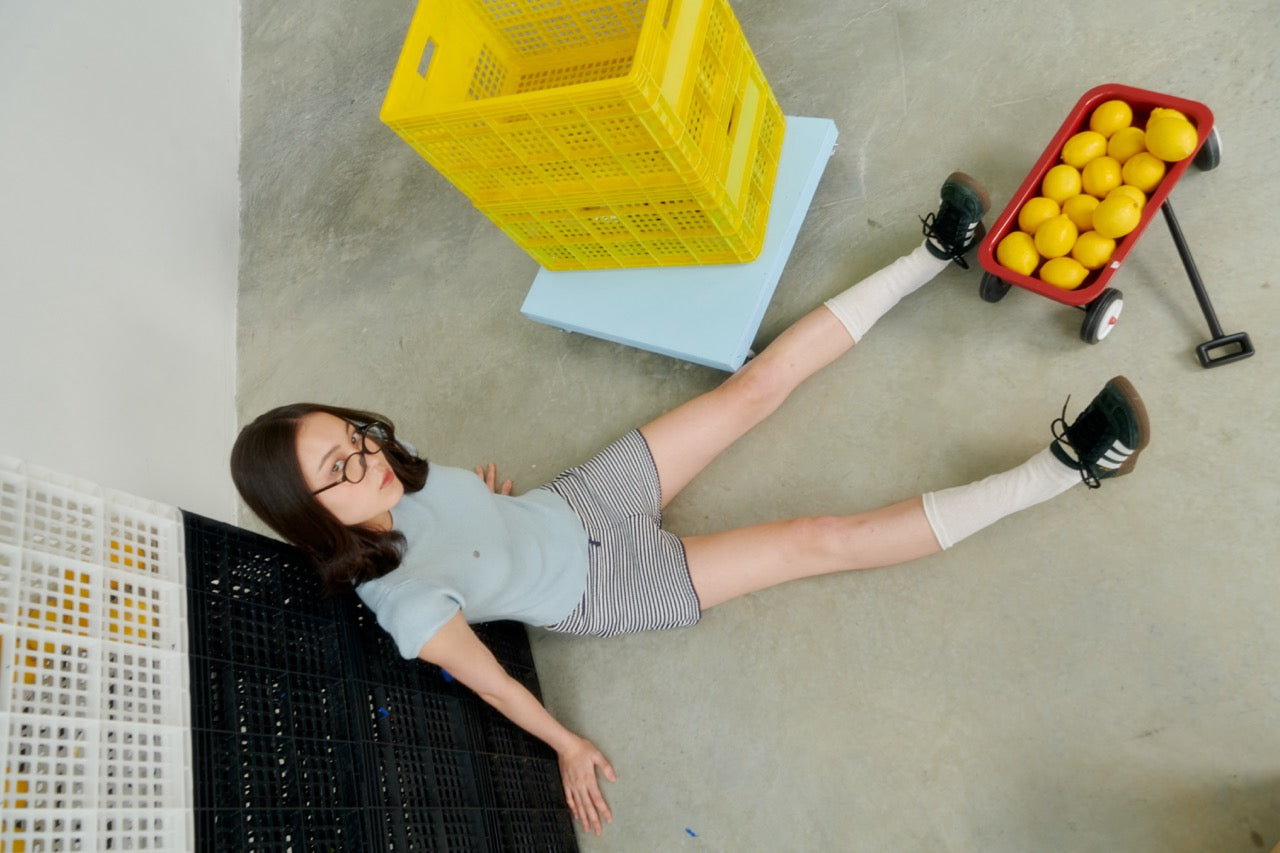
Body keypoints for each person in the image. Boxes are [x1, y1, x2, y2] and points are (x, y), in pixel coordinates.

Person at [230, 173, 1150, 837]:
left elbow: (451, 500)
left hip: (575, 501)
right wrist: (567, 745)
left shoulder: (397, 470)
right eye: (338, 471)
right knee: (813, 538)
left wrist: (492, 512)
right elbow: (493, 680)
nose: (366, 461)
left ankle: (934, 250)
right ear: (309, 512)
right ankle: (1068, 467)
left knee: (752, 389)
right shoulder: (406, 605)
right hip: (605, 588)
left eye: (352, 436)